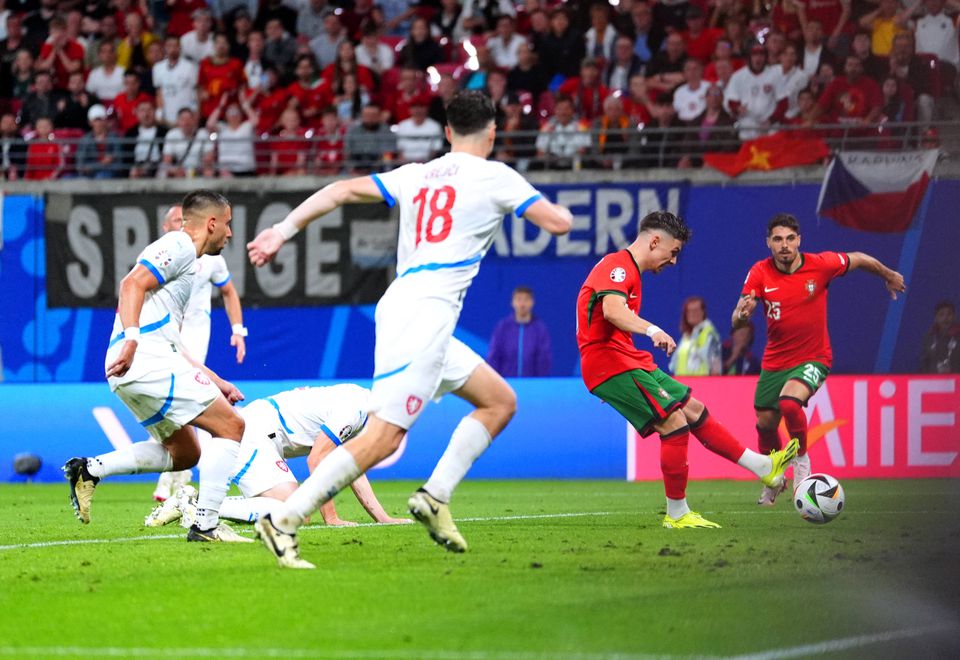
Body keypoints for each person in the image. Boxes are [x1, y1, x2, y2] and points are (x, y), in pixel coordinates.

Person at [246, 90, 573, 568]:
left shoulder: (416, 174)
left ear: (445, 131)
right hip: (422, 315)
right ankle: (284, 521)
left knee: (499, 401)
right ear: (493, 131)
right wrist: (543, 204)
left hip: (415, 312)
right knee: (382, 437)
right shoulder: (496, 175)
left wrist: (282, 230)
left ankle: (435, 496)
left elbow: (339, 191)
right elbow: (559, 223)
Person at [576, 211, 799, 529]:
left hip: (624, 360)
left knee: (692, 409)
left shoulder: (629, 272)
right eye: (674, 252)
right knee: (674, 423)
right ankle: (678, 514)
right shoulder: (617, 266)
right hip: (611, 362)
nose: (673, 261)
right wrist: (652, 331)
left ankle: (764, 465)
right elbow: (612, 311)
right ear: (655, 241)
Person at [63, 190, 250, 543]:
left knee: (185, 454)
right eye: (227, 225)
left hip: (136, 367)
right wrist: (132, 339)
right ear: (211, 223)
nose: (230, 233)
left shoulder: (189, 264)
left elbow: (173, 342)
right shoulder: (178, 246)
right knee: (232, 426)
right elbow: (130, 283)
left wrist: (216, 380)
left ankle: (89, 469)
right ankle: (207, 525)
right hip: (144, 359)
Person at [731, 213, 905, 506]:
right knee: (765, 425)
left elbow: (859, 258)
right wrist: (742, 315)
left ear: (799, 240)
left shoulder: (820, 265)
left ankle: (802, 463)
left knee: (789, 402)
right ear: (768, 243)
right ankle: (774, 478)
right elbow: (736, 320)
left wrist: (888, 274)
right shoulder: (759, 272)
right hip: (775, 361)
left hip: (814, 357)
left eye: (789, 238)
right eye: (777, 239)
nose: (784, 245)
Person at [145, 384, 411, 528]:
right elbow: (317, 460)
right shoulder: (356, 410)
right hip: (254, 433)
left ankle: (194, 501)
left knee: (295, 509)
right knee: (297, 511)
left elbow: (351, 468)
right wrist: (331, 518)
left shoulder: (362, 405)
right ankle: (196, 505)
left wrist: (383, 518)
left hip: (261, 432)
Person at [150, 203, 248, 501]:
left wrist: (238, 330)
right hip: (163, 341)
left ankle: (174, 481)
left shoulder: (210, 260)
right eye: (176, 221)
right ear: (166, 228)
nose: (182, 224)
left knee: (184, 406)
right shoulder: (161, 255)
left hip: (194, 342)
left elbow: (229, 291)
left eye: (185, 219)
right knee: (172, 409)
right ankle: (179, 476)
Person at [487, 285, 552, 377]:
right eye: (518, 299)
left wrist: (541, 382)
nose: (522, 304)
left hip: (533, 385)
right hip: (506, 384)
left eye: (526, 300)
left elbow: (543, 359)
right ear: (512, 302)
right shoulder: (503, 328)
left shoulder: (540, 329)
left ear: (532, 302)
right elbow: (494, 356)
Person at [669, 295, 722, 376]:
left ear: (703, 312)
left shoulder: (709, 333)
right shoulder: (686, 336)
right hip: (683, 384)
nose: (692, 314)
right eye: (689, 311)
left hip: (702, 383)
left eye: (696, 310)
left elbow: (716, 365)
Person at [920, 301, 960, 373]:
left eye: (949, 314)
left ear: (954, 316)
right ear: (936, 318)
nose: (945, 318)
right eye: (941, 315)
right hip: (934, 381)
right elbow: (924, 363)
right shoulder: (930, 337)